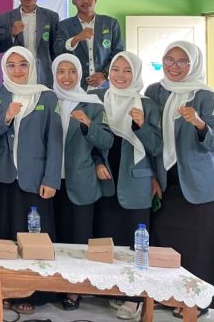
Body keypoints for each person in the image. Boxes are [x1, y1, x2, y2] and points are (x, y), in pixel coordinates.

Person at [0, 46, 61, 315]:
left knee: (34, 240)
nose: (17, 70)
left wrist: (51, 179)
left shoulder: (47, 96)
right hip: (3, 177)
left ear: (31, 67)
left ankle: (34, 292)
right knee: (4, 237)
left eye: (22, 65)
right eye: (11, 65)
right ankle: (5, 290)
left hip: (35, 179)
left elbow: (55, 141)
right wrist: (6, 116)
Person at [146, 41, 214, 319]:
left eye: (182, 61)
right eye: (169, 59)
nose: (174, 67)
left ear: (193, 64)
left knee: (198, 244)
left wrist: (199, 123)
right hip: (164, 176)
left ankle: (196, 300)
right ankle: (167, 294)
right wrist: (151, 175)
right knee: (165, 238)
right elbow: (148, 136)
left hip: (196, 181)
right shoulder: (154, 91)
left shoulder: (204, 95)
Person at [91, 51, 161, 320]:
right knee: (108, 237)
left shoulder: (147, 104)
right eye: (115, 69)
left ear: (137, 73)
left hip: (136, 180)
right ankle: (112, 289)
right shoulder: (99, 99)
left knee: (135, 243)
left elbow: (156, 147)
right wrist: (97, 162)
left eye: (127, 70)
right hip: (106, 177)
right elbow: (91, 139)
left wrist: (142, 125)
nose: (120, 75)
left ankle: (134, 297)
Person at [51, 54, 112, 311]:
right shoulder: (48, 100)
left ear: (79, 74)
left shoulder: (93, 104)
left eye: (72, 71)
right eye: (61, 71)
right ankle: (54, 285)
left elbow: (106, 141)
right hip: (51, 181)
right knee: (54, 237)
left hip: (81, 181)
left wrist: (88, 124)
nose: (66, 77)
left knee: (78, 238)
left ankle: (75, 290)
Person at [54, 0, 123, 90]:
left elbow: (118, 53)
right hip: (76, 87)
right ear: (73, 1)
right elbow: (57, 50)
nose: (85, 0)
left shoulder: (111, 23)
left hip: (105, 87)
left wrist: (104, 74)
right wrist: (76, 38)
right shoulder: (64, 26)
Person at [0, 0, 59, 86]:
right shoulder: (5, 18)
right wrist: (12, 34)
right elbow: (0, 47)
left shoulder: (51, 17)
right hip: (16, 75)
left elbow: (55, 50)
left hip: (43, 76)